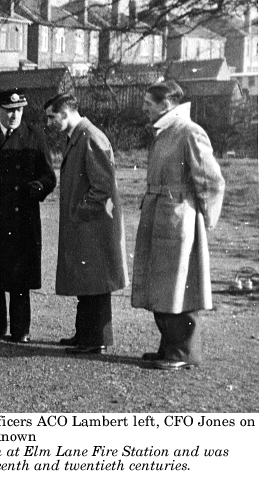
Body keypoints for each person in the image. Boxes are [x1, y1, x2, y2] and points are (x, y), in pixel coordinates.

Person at [132, 80, 225, 370]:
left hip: (178, 218)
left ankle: (183, 352)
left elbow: (211, 181)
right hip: (161, 214)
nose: (145, 108)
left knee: (178, 285)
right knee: (161, 285)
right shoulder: (164, 131)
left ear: (166, 104)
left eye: (149, 103)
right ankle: (169, 346)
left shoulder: (189, 132)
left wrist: (204, 219)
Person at [0, 89, 56, 343]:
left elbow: (49, 176)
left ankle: (20, 330)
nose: (14, 115)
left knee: (20, 278)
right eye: (9, 110)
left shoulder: (34, 135)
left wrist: (39, 186)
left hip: (21, 216)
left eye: (18, 110)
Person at [44, 93, 127, 354]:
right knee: (87, 281)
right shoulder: (78, 136)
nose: (48, 123)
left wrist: (80, 212)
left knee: (96, 283)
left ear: (66, 112)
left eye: (51, 117)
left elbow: (103, 187)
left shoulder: (90, 137)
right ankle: (85, 334)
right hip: (85, 225)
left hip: (93, 226)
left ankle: (95, 340)